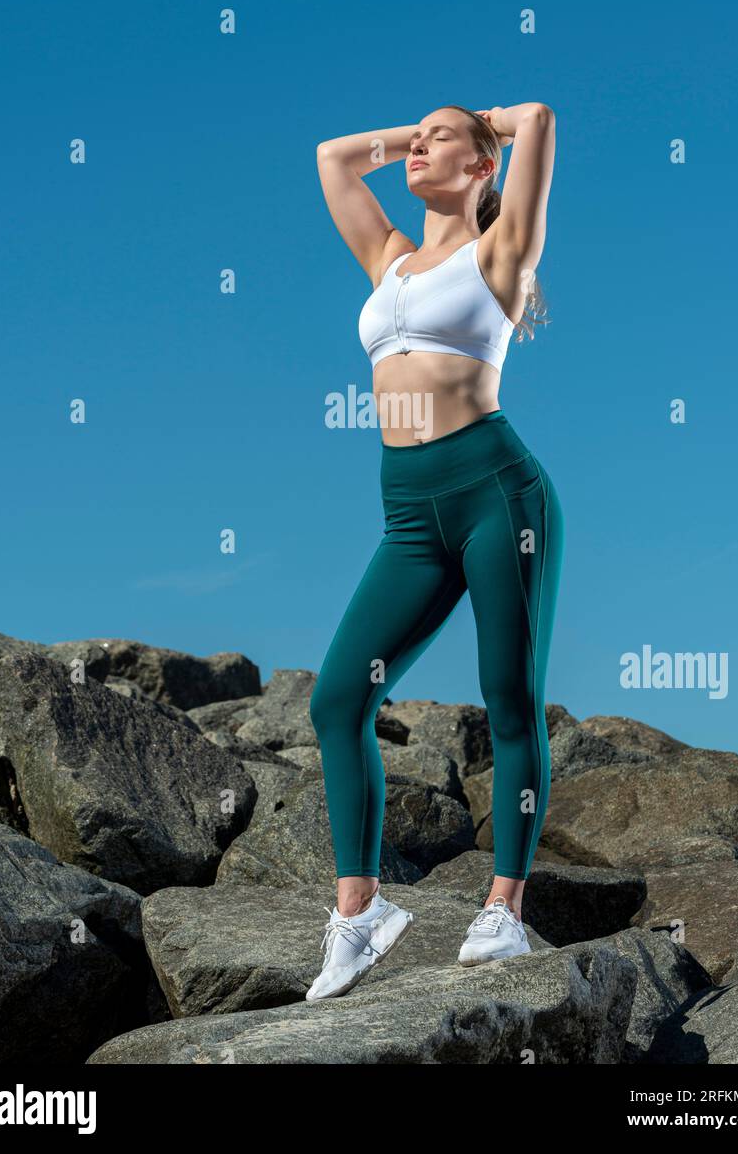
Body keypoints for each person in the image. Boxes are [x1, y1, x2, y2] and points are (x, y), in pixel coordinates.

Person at [306, 103, 564, 1002]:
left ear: (483, 166)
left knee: (507, 699)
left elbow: (538, 117)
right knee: (338, 699)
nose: (416, 146)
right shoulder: (390, 260)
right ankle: (361, 913)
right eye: (412, 137)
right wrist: (421, 132)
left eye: (436, 138)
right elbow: (333, 157)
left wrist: (488, 119)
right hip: (407, 513)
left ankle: (503, 907)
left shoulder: (498, 255)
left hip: (495, 491)